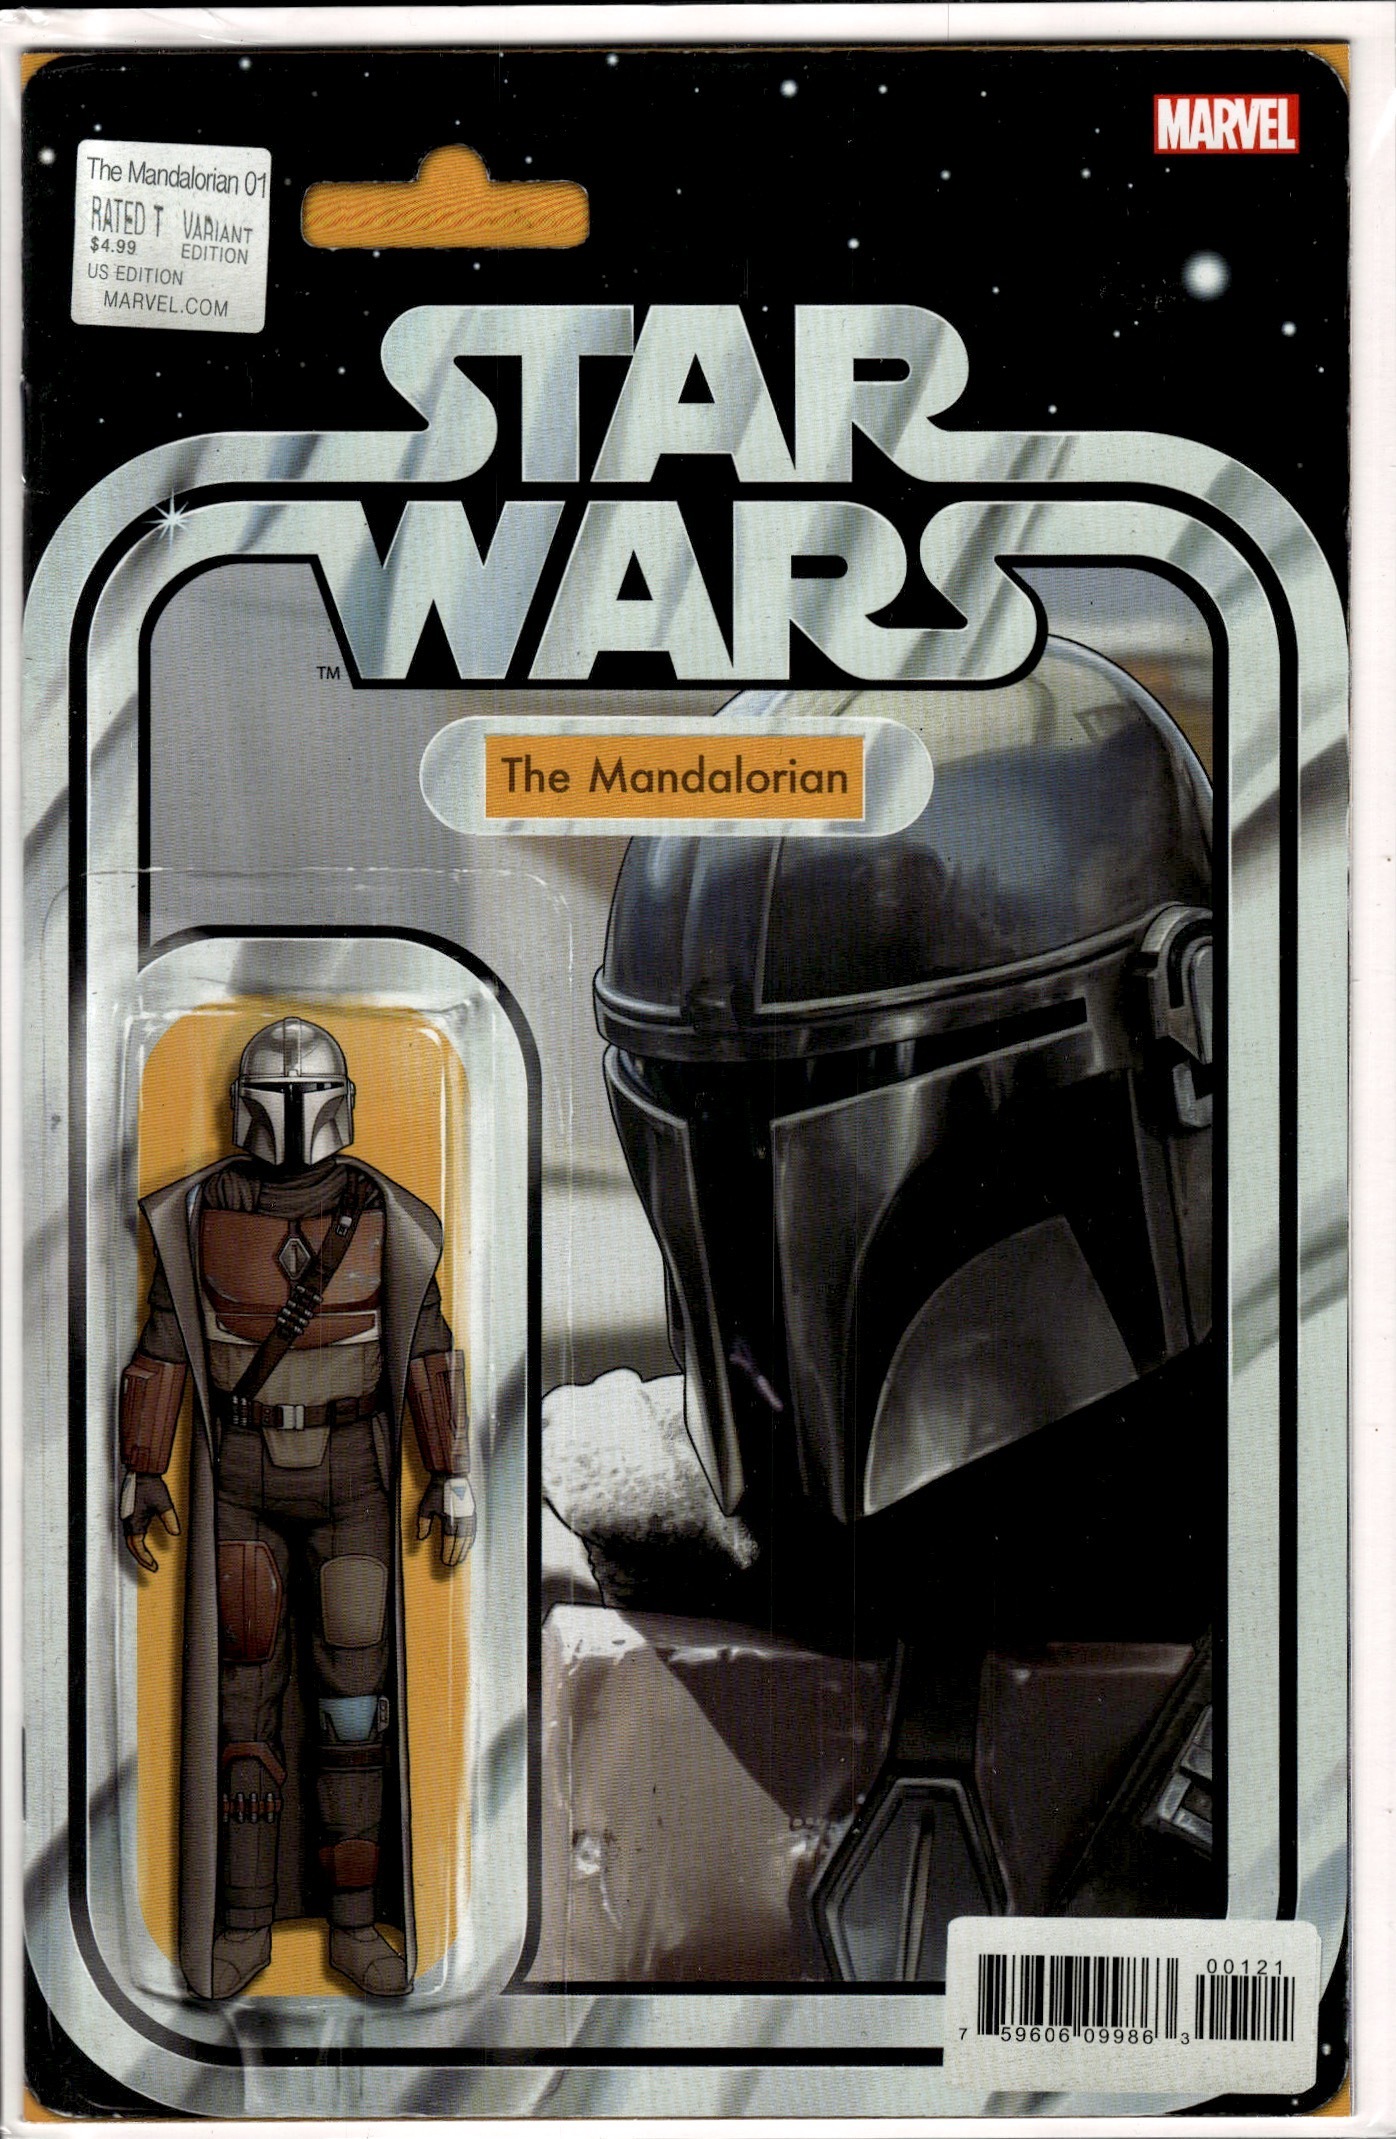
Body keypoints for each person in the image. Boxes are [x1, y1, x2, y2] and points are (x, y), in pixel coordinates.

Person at [118, 1016, 475, 1999]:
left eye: (305, 1096)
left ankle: (355, 1924)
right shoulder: (201, 1213)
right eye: (273, 1097)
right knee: (246, 1703)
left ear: (339, 1105)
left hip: (354, 1476)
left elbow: (425, 1345)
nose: (290, 1115)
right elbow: (166, 1341)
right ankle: (242, 1922)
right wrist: (144, 1464)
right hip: (240, 1475)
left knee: (353, 1708)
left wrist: (448, 1467)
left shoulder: (381, 1214)